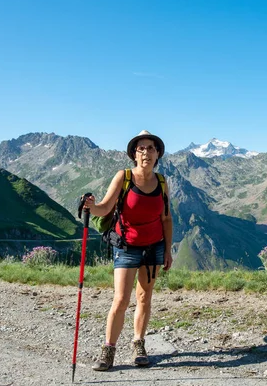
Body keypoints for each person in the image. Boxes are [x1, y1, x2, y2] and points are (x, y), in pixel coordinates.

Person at [82, 130, 173, 371]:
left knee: (144, 297)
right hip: (126, 246)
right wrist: (91, 206)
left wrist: (168, 250)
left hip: (154, 246)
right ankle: (108, 349)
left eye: (151, 148)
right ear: (134, 153)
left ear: (157, 154)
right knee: (121, 299)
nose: (146, 152)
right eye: (141, 148)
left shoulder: (162, 182)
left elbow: (166, 219)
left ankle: (138, 344)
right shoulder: (123, 177)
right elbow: (104, 208)